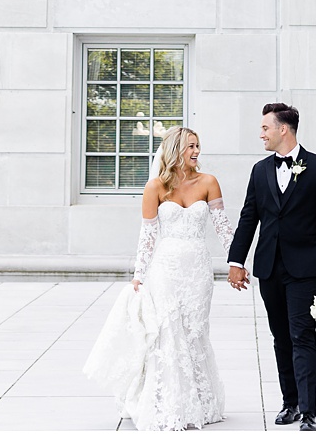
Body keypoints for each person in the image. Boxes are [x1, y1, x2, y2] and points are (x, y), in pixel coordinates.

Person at [84, 126, 236, 431]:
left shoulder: (209, 182)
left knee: (194, 331)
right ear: (175, 150)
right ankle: (167, 402)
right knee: (168, 331)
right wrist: (139, 275)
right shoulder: (154, 187)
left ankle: (199, 402)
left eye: (198, 146)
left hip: (198, 270)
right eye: (191, 146)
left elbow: (223, 228)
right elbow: (148, 235)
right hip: (165, 269)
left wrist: (237, 262)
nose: (196, 152)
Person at [227, 103, 316, 432]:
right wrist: (237, 261)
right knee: (281, 337)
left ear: (284, 129)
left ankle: (308, 412)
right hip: (268, 268)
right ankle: (290, 403)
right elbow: (248, 217)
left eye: (266, 127)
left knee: (302, 335)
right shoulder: (260, 170)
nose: (261, 133)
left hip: (305, 267)